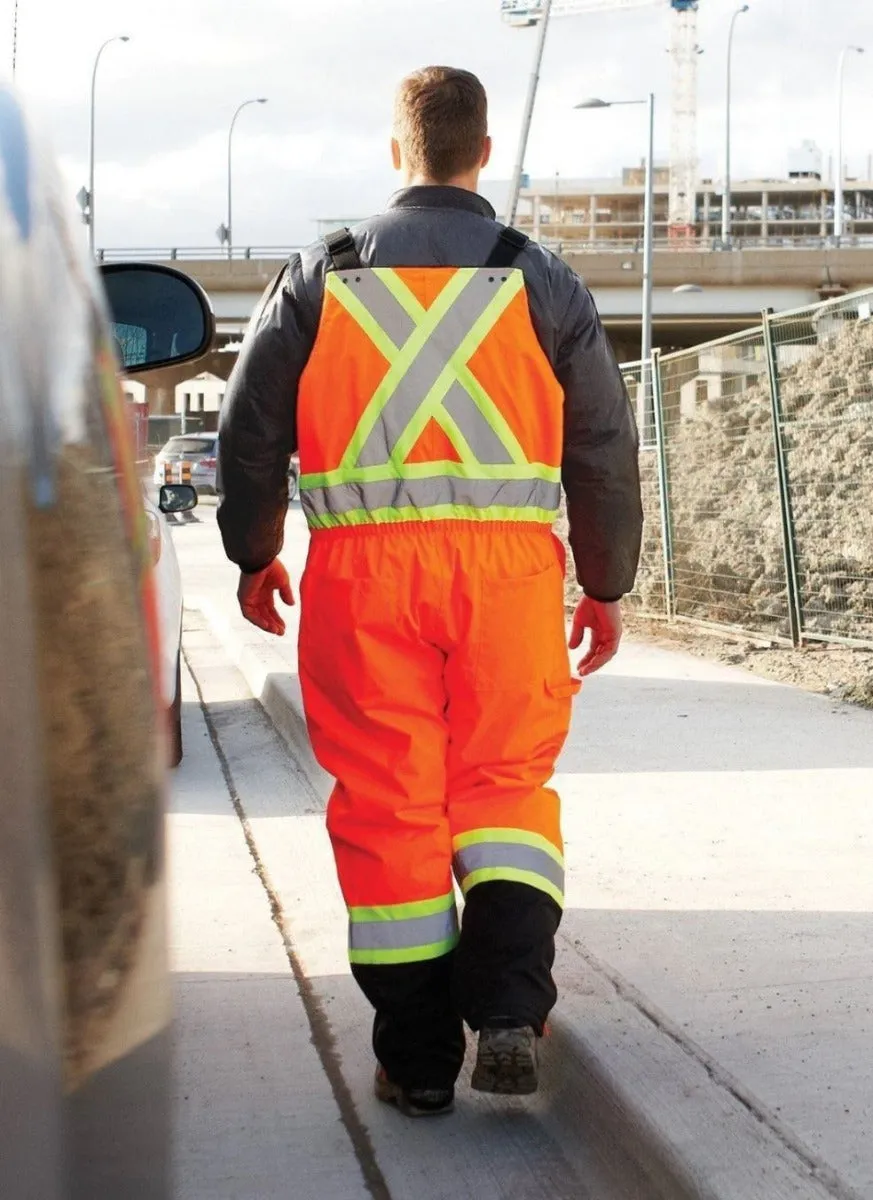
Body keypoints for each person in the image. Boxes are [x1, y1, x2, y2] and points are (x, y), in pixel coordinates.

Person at [217, 66, 642, 1118]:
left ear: (396, 152)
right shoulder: (542, 276)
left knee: (392, 807)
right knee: (503, 789)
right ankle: (506, 1006)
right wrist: (605, 583)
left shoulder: (321, 273)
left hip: (364, 584)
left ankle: (414, 1064)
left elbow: (251, 428)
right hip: (506, 580)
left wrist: (253, 549)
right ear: (483, 154)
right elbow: (600, 443)